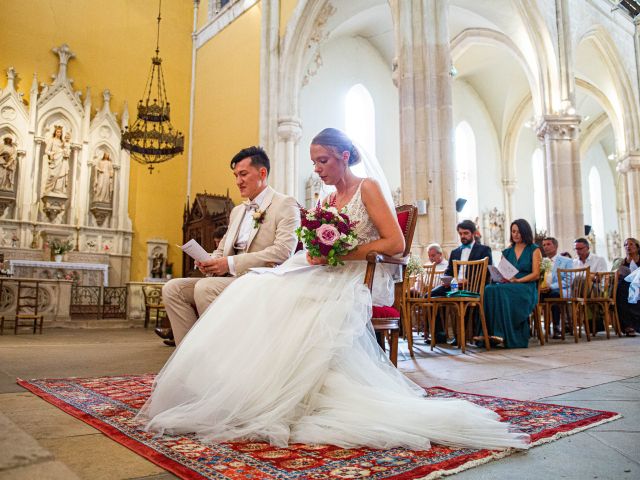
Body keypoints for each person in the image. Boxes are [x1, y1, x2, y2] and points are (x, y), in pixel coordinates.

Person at [138, 128, 529, 451]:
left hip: (354, 279)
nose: (318, 169)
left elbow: (395, 244)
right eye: (313, 162)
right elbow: (314, 245)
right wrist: (317, 252)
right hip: (322, 270)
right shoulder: (326, 197)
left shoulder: (368, 188)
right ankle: (225, 381)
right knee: (255, 287)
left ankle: (279, 390)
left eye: (322, 160)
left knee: (276, 297)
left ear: (344, 155)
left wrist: (344, 253)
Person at [161, 146, 300, 345]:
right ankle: (188, 355)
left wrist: (230, 264)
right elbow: (222, 249)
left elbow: (283, 251)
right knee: (172, 288)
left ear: (262, 173)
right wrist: (209, 261)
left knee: (205, 288)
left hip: (260, 279)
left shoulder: (285, 204)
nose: (238, 181)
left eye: (243, 174)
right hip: (228, 279)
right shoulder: (237, 211)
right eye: (235, 175)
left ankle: (220, 355)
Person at [429, 220, 493, 345]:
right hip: (453, 285)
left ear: (473, 233)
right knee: (429, 296)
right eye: (460, 234)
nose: (463, 236)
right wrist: (446, 279)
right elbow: (448, 271)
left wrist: (468, 280)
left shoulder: (484, 250)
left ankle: (461, 336)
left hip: (471, 286)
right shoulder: (455, 252)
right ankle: (439, 335)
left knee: (462, 298)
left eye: (466, 233)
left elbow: (486, 271)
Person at [483, 219, 541, 348]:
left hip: (526, 286)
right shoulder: (507, 251)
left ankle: (505, 333)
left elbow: (536, 274)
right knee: (489, 289)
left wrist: (518, 280)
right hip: (509, 284)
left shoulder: (534, 249)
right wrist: (499, 276)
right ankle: (490, 334)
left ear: (525, 232)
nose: (515, 234)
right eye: (513, 231)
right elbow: (503, 270)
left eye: (519, 232)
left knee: (502, 291)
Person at [540, 237, 574, 339]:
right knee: (531, 295)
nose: (545, 247)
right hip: (544, 290)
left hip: (561, 290)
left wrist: (551, 287)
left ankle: (556, 327)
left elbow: (568, 280)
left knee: (554, 295)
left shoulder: (566, 261)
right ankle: (530, 328)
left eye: (548, 244)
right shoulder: (542, 261)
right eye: (544, 245)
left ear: (555, 246)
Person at [612, 237, 640, 336]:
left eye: (631, 244)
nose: (628, 246)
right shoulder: (619, 262)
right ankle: (628, 326)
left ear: (637, 247)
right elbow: (612, 275)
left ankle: (635, 325)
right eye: (626, 245)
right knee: (621, 288)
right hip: (624, 287)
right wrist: (617, 274)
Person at [44, 126, 71, 194]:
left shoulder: (62, 141)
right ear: (55, 132)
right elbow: (46, 150)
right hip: (54, 159)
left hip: (60, 159)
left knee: (59, 175)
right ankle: (47, 190)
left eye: (60, 132)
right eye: (57, 132)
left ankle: (55, 189)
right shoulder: (52, 140)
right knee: (52, 175)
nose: (59, 133)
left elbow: (66, 148)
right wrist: (51, 153)